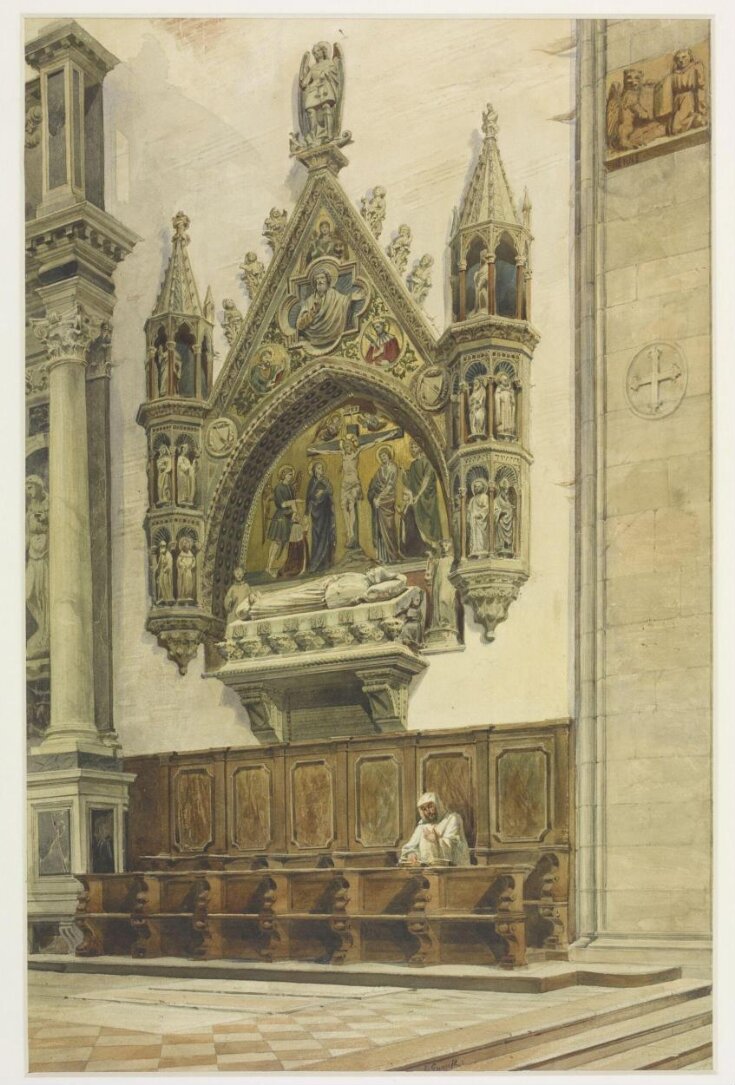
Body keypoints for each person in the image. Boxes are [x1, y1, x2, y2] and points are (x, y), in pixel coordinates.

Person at [235, 566, 408, 621]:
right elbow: (337, 577)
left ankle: (256, 609)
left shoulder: (366, 590)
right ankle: (261, 599)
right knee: (289, 593)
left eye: (376, 573)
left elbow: (385, 590)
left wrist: (397, 578)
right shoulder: (359, 577)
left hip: (319, 600)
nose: (371, 571)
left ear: (378, 581)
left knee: (288, 603)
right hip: (320, 587)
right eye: (373, 569)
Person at [295, 267, 364, 350]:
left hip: (333, 334)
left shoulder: (334, 295)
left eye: (322, 278)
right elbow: (299, 325)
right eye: (317, 279)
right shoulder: (309, 301)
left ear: (327, 280)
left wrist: (351, 298)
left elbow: (344, 301)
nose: (320, 281)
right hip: (313, 337)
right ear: (315, 281)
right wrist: (312, 312)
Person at [399, 792, 470, 867]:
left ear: (438, 805)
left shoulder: (452, 819)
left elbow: (453, 846)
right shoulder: (422, 825)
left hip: (449, 868)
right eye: (424, 809)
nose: (428, 812)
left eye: (430, 807)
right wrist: (411, 854)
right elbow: (410, 847)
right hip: (426, 869)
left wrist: (436, 839)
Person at [401, 439, 442, 555]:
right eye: (411, 448)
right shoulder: (413, 465)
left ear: (419, 448)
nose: (413, 450)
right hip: (417, 499)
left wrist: (419, 495)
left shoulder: (426, 462)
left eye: (415, 447)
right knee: (415, 521)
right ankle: (421, 548)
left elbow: (427, 479)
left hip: (427, 498)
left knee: (428, 521)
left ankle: (433, 545)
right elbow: (409, 483)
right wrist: (404, 474)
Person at [25, 475, 49, 658]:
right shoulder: (29, 510)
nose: (29, 491)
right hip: (33, 557)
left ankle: (46, 632)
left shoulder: (49, 505)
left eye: (31, 487)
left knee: (44, 594)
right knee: (29, 594)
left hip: (46, 557)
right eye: (27, 488)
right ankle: (42, 627)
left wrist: (46, 519)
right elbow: (26, 534)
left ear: (40, 487)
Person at [367, 445, 400, 563]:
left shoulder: (393, 468)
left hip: (388, 500)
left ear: (389, 455)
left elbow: (390, 486)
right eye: (381, 456)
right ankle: (383, 556)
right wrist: (374, 497)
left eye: (384, 455)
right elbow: (374, 485)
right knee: (380, 529)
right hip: (379, 502)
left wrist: (379, 498)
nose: (383, 458)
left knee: (389, 528)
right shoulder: (380, 470)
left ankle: (393, 555)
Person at [266, 465, 299, 577]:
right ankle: (269, 567)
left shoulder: (290, 487)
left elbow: (292, 502)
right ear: (284, 475)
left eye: (291, 475)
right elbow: (282, 504)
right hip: (280, 518)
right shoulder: (279, 488)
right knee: (276, 542)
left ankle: (281, 567)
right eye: (289, 474)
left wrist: (294, 511)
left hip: (288, 517)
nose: (291, 477)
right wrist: (293, 502)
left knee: (285, 544)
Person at [305, 459, 336, 573]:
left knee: (325, 536)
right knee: (316, 537)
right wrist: (306, 513)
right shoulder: (312, 483)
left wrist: (323, 493)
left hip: (325, 513)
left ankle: (325, 563)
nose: (321, 470)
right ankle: (315, 564)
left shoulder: (325, 481)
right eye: (318, 468)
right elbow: (308, 498)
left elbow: (331, 491)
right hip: (315, 514)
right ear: (314, 470)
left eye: (322, 468)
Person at [467, 477, 490, 559]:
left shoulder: (484, 496)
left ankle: (482, 550)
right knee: (474, 536)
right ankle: (474, 551)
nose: (476, 488)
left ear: (483, 487)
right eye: (475, 487)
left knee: (481, 536)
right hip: (473, 521)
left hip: (481, 521)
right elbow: (469, 510)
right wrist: (469, 517)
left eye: (478, 486)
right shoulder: (472, 499)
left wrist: (479, 514)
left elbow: (486, 508)